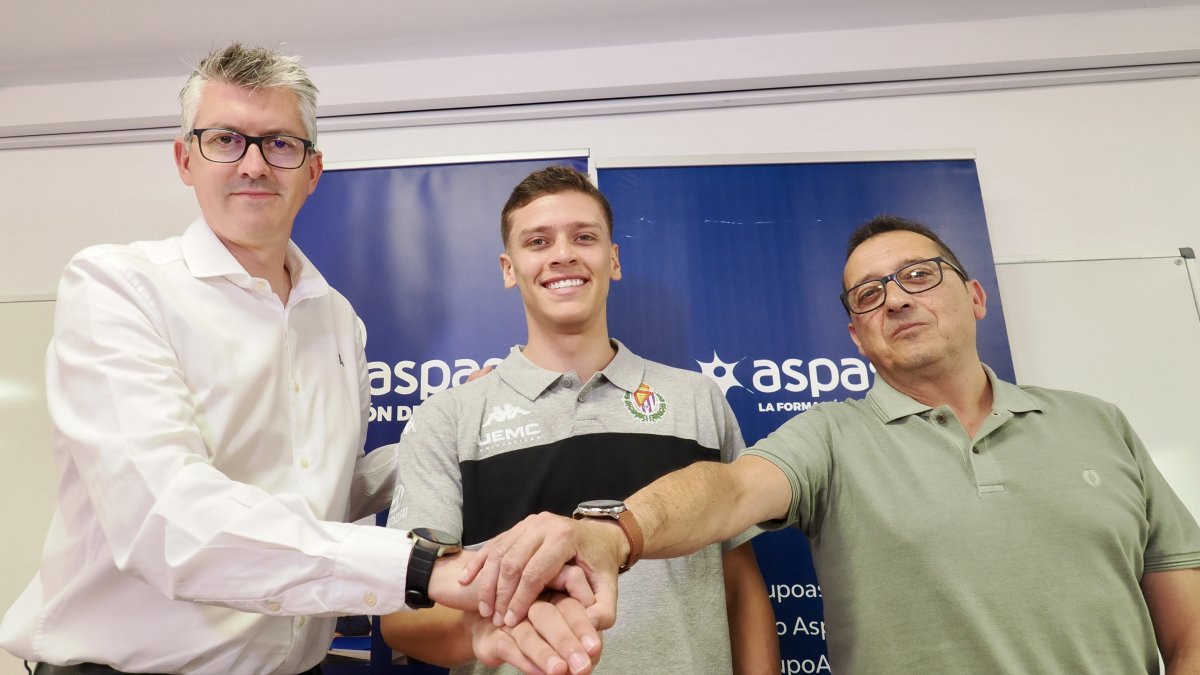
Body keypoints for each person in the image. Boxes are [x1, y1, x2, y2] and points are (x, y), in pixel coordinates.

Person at [0, 44, 598, 675]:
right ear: (185, 159)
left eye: (280, 144)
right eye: (226, 139)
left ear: (312, 171)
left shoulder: (337, 319)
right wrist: (422, 568)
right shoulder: (118, 287)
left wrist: (445, 428)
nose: (254, 164)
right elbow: (169, 521)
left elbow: (321, 494)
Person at [467, 215, 1200, 673]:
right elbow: (727, 489)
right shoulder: (831, 435)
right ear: (855, 334)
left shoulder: (1100, 423)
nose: (898, 298)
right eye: (869, 293)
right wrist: (615, 534)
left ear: (974, 296)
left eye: (919, 275)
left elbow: (1190, 630)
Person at [379, 166, 778, 674]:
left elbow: (739, 582)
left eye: (583, 237)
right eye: (538, 241)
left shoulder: (697, 399)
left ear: (612, 259)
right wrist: (496, 632)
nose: (562, 254)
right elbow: (405, 618)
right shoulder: (448, 418)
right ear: (508, 268)